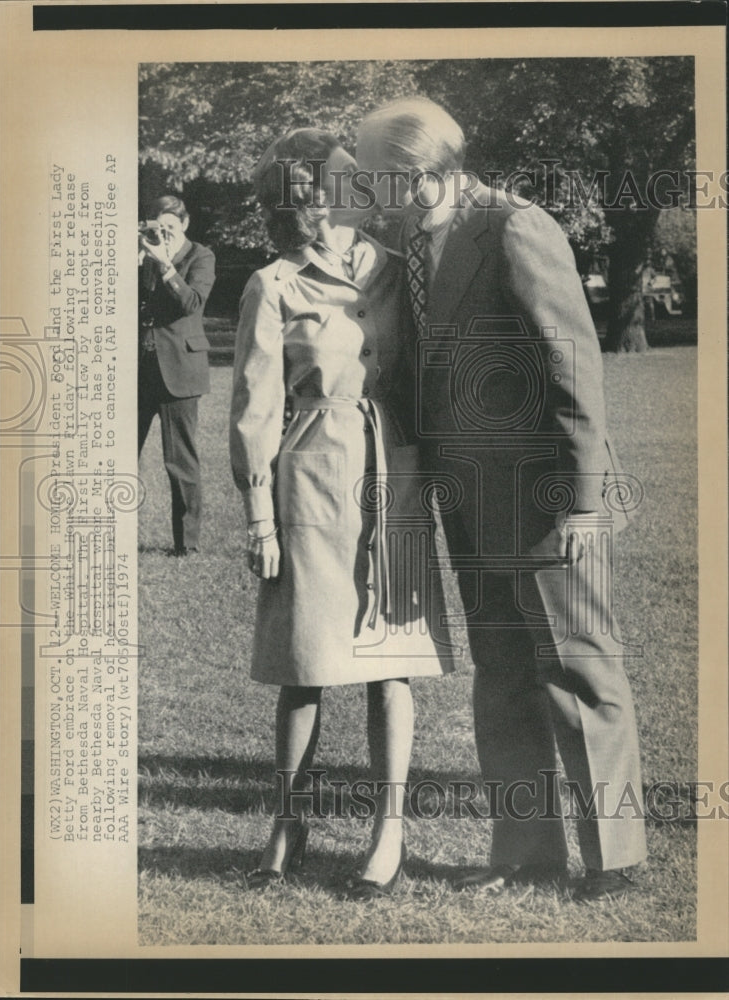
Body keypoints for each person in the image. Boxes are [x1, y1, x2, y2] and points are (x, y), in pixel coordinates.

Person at [357, 97, 647, 902]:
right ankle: (524, 853)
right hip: (469, 501)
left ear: (413, 175)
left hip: (549, 500)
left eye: (372, 173)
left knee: (577, 673)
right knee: (504, 677)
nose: (363, 189)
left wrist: (582, 500)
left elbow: (572, 366)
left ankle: (614, 861)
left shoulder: (515, 226)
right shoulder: (408, 243)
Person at [229, 128, 453, 899]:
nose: (322, 203)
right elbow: (254, 409)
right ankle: (287, 819)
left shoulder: (400, 272)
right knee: (306, 663)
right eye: (305, 194)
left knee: (390, 662)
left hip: (395, 478)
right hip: (310, 480)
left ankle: (387, 831)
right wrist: (259, 515)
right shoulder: (273, 285)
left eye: (331, 186)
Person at [138, 195, 216, 555]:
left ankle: (187, 545)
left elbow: (191, 304)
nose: (163, 233)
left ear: (185, 225)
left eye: (170, 227)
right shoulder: (145, 253)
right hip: (140, 368)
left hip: (180, 371)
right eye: (157, 227)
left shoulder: (201, 256)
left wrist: (165, 265)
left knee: (180, 461)